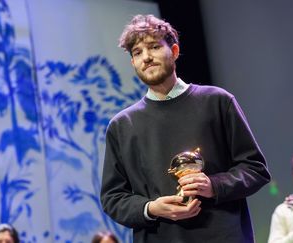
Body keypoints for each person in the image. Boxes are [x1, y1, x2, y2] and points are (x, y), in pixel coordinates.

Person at [100, 14, 271, 242]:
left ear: (175, 51)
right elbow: (113, 197)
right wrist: (150, 208)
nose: (147, 57)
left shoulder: (218, 101)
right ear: (133, 63)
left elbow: (255, 169)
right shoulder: (122, 125)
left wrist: (214, 185)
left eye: (153, 47)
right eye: (137, 53)